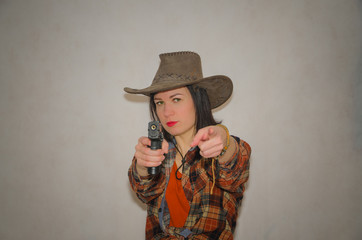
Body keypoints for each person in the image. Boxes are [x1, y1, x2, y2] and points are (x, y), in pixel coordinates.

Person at [124, 51, 251, 239]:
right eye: (159, 102)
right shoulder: (156, 153)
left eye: (176, 99)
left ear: (199, 100)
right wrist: (142, 166)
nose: (167, 112)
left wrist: (224, 139)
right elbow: (144, 192)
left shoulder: (219, 147)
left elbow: (235, 167)